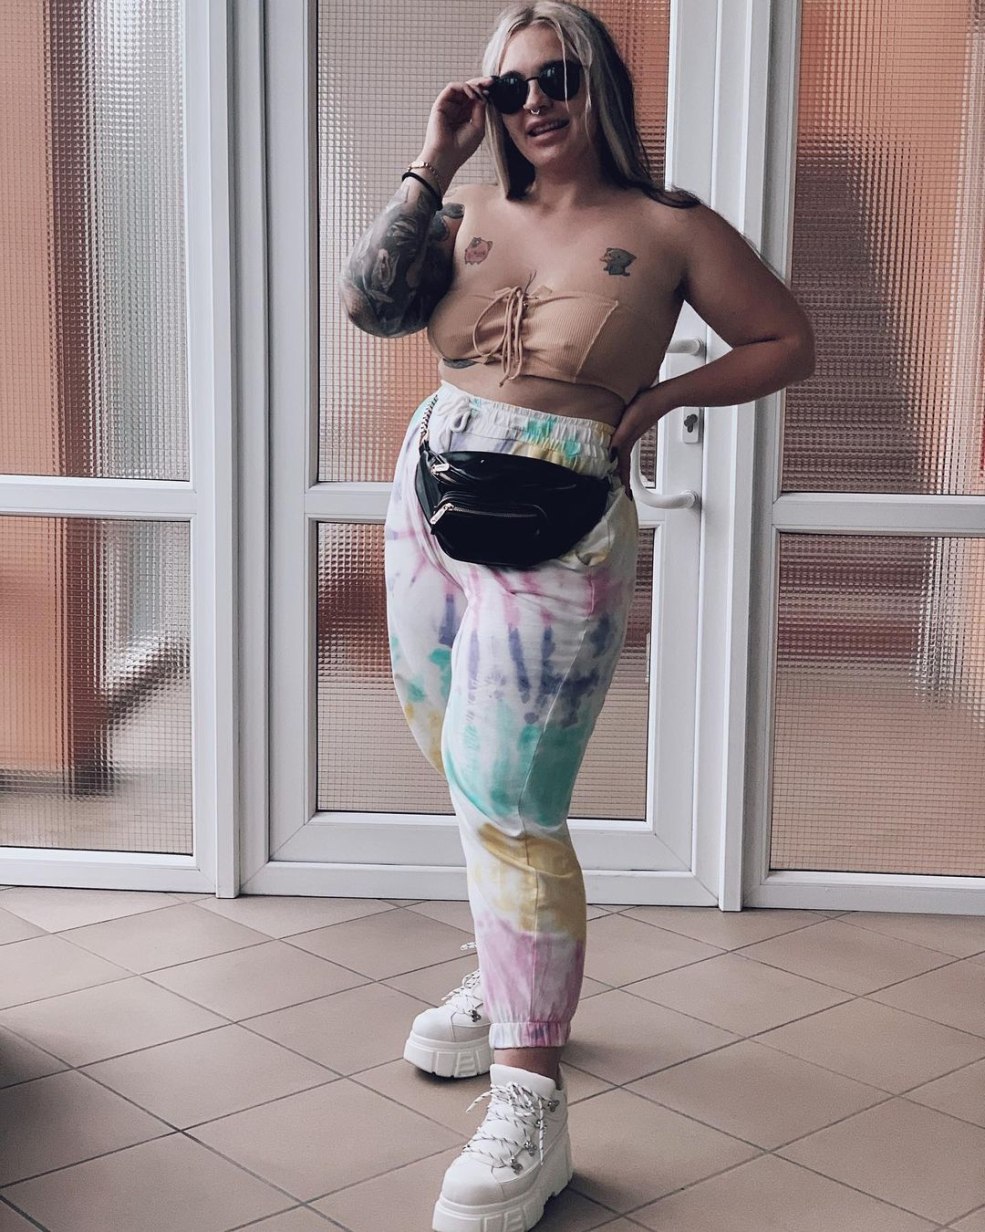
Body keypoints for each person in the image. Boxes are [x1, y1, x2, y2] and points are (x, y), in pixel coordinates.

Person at [339, 3, 814, 1229]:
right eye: (510, 89)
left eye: (556, 78)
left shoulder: (669, 226)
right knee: (458, 761)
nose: (535, 103)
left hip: (563, 515)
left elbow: (785, 339)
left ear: (598, 81)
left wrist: (656, 402)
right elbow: (371, 307)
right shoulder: (463, 210)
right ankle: (511, 978)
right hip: (431, 487)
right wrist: (434, 158)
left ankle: (529, 1102)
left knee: (513, 798)